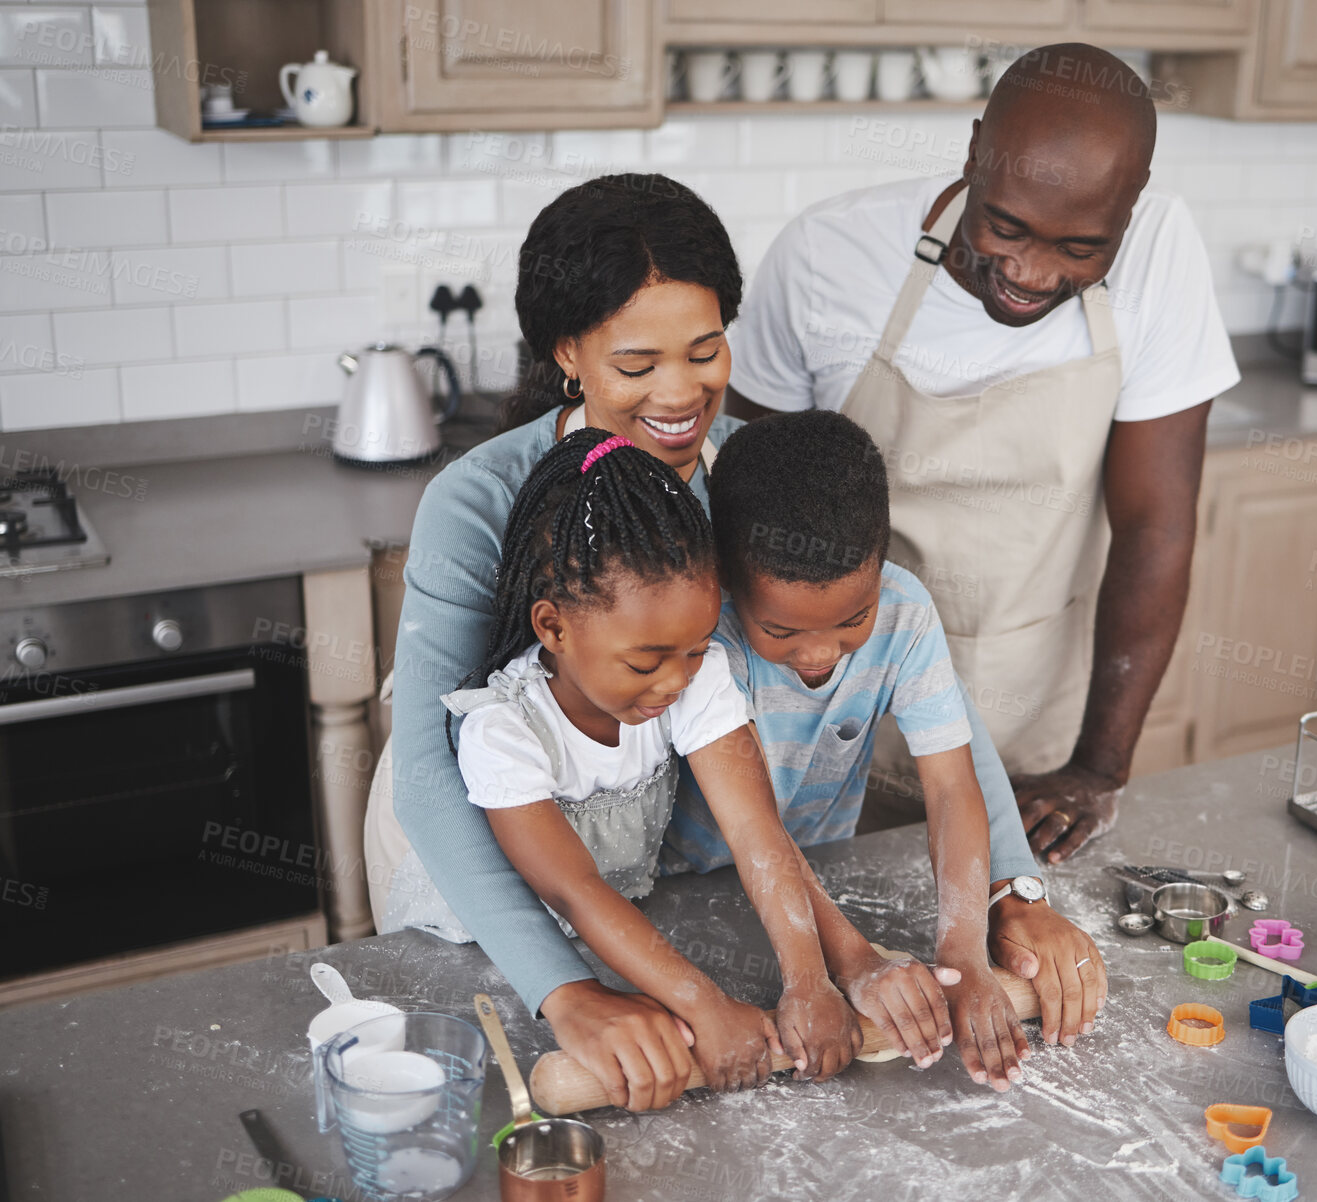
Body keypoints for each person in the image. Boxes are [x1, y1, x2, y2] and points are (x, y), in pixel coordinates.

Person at [723, 45, 1240, 864]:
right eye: (1005, 226)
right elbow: (744, 501)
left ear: (1130, 211)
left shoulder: (1163, 253)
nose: (1030, 272)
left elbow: (1155, 527)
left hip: (1031, 731)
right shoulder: (828, 255)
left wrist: (1098, 768)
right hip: (824, 724)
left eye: (1081, 248)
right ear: (973, 154)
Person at [370, 175, 755, 1108]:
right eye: (636, 366)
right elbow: (428, 771)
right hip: (467, 867)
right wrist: (567, 990)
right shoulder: (478, 500)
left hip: (626, 857)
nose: (680, 394)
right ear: (567, 355)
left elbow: (899, 624)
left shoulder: (747, 474)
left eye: (705, 352)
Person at [438, 425, 958, 1102]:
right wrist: (706, 1007)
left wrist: (809, 979)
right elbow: (575, 890)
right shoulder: (503, 731)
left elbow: (755, 829)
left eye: (694, 649)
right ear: (553, 627)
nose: (673, 683)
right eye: (646, 661)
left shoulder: (691, 671)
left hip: (615, 935)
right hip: (487, 953)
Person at [667, 410, 1108, 1080]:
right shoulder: (708, 640)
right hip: (693, 892)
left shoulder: (905, 612)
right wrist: (844, 967)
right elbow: (753, 829)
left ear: (881, 565)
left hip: (821, 869)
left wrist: (963, 958)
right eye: (781, 629)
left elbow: (952, 787)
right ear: (727, 580)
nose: (818, 652)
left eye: (853, 619)